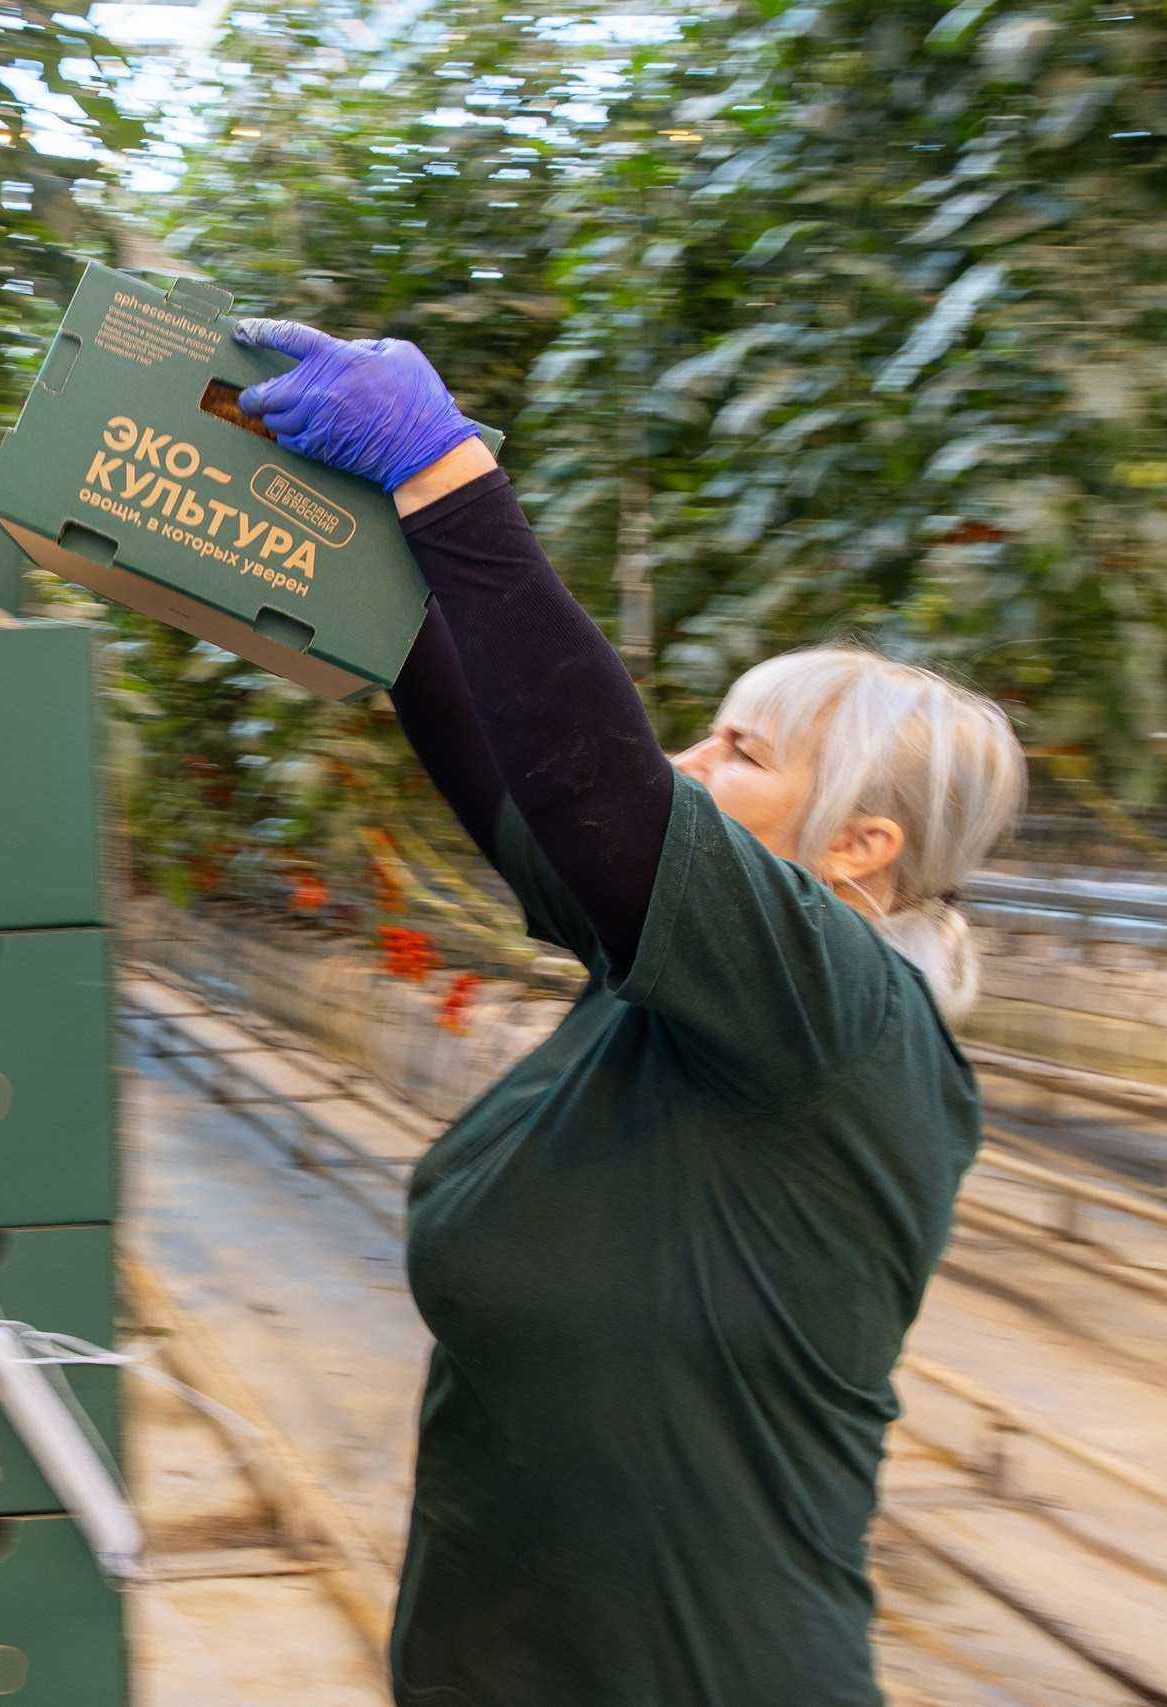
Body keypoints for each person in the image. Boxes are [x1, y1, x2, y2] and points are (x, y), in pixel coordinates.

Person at [232, 321, 1027, 1707]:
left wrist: (449, 479)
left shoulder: (843, 1021)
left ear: (861, 849)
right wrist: (375, 557)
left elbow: (606, 797)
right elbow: (522, 786)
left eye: (743, 751)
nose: (690, 759)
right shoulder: (672, 984)